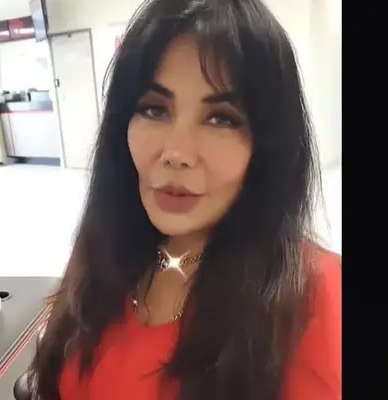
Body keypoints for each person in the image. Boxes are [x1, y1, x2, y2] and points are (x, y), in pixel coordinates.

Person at [29, 0, 341, 399]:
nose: (176, 152)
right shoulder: (105, 249)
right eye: (154, 109)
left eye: (221, 118)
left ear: (269, 144)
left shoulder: (313, 295)